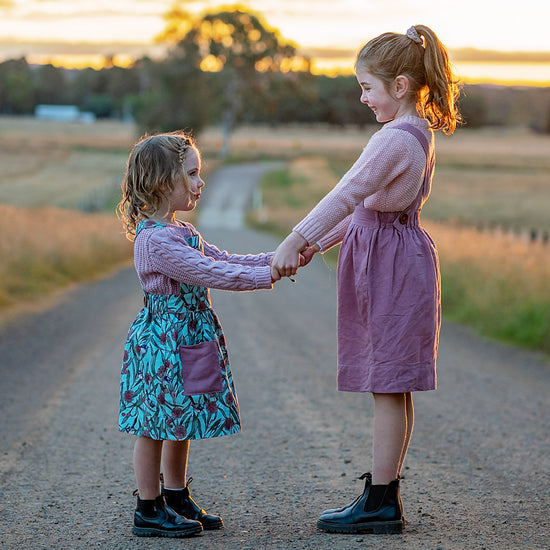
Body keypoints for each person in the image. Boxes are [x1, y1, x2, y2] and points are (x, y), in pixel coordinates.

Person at [271, 25, 461, 535]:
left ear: (400, 85)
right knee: (394, 385)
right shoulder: (415, 131)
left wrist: (295, 237)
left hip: (392, 268)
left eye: (367, 87)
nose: (362, 98)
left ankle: (380, 501)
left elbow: (348, 193)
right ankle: (384, 494)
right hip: (397, 257)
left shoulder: (395, 138)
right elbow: (364, 210)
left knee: (387, 383)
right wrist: (316, 244)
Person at [117, 131, 276, 537]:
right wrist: (267, 276)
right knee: (155, 423)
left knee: (182, 418)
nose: (200, 182)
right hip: (163, 342)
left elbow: (224, 258)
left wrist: (276, 258)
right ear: (160, 182)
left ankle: (176, 496)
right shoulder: (155, 241)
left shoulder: (182, 230)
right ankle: (148, 508)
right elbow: (211, 272)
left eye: (199, 174)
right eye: (191, 174)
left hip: (190, 336)